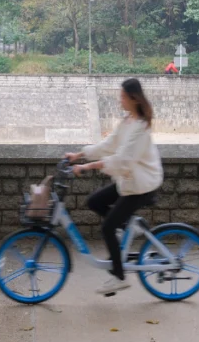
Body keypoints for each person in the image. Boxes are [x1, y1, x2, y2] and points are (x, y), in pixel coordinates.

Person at [65, 78, 164, 295]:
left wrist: (88, 166)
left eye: (122, 97)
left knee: (108, 228)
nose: (120, 100)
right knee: (94, 201)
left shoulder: (141, 128)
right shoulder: (128, 121)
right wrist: (78, 155)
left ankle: (119, 277)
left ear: (133, 98)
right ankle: (129, 227)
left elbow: (122, 161)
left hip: (141, 184)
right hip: (129, 180)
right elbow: (108, 145)